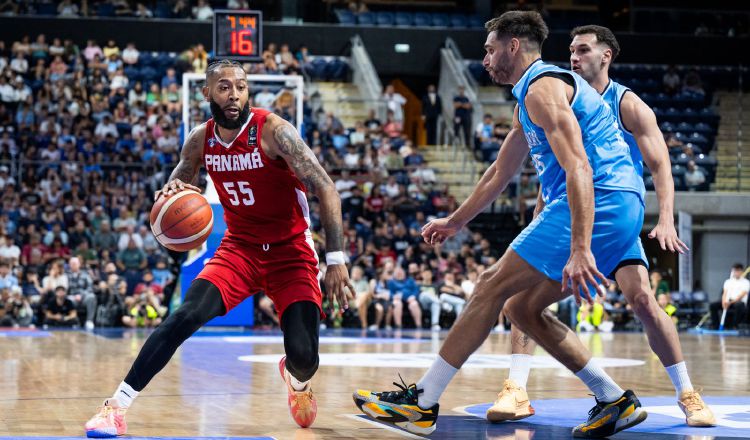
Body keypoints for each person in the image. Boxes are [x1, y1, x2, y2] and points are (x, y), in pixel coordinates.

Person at [354, 11, 648, 437]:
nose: (485, 59)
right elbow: (500, 171)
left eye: (490, 49)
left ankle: (423, 402)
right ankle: (613, 399)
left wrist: (581, 247)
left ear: (514, 46)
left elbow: (580, 167)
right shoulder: (529, 96)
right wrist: (455, 221)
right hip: (618, 205)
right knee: (520, 307)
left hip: (597, 200)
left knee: (490, 285)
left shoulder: (542, 87)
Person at [85, 59, 355, 437]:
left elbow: (325, 186)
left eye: (241, 87)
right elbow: (181, 176)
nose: (234, 95)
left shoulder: (275, 131)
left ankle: (298, 383)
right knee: (184, 316)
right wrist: (170, 193)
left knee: (305, 356)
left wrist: (337, 259)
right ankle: (115, 407)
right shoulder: (200, 139)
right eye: (225, 87)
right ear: (207, 92)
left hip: (290, 252)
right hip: (239, 249)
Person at [490, 24, 714, 428]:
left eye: (583, 50)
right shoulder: (553, 88)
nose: (574, 57)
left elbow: (661, 163)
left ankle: (688, 394)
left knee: (643, 300)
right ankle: (516, 388)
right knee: (521, 294)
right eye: (571, 50)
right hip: (567, 210)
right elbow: (538, 155)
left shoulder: (627, 103)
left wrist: (665, 218)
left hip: (612, 216)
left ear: (606, 56)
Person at [710, 263, 748, 330]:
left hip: (738, 302)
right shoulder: (728, 282)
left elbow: (741, 295)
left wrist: (731, 302)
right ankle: (715, 326)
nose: (735, 272)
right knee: (713, 305)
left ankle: (734, 326)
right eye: (734, 271)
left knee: (739, 305)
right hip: (727, 301)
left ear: (741, 271)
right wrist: (723, 302)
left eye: (737, 271)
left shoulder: (746, 282)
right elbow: (724, 293)